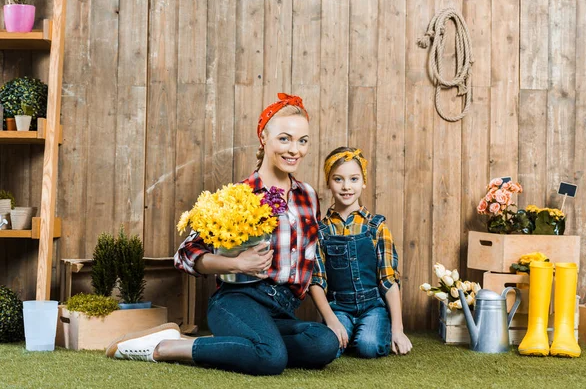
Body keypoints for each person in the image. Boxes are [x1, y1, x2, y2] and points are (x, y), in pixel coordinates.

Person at [105, 93, 339, 375]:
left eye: (303, 141)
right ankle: (169, 346)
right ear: (264, 138)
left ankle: (242, 346)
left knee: (324, 344)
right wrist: (237, 264)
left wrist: (331, 319)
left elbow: (312, 264)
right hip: (238, 301)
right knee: (271, 359)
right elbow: (186, 254)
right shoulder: (239, 195)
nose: (295, 150)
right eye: (285, 139)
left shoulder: (308, 197)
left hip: (283, 309)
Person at [309, 147, 412, 358]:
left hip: (373, 306)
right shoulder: (320, 230)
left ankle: (368, 332)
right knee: (328, 347)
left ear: (363, 182)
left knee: (368, 346)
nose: (347, 186)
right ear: (328, 182)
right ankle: (344, 333)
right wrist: (331, 319)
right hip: (338, 308)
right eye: (338, 179)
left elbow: (389, 281)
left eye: (354, 179)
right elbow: (316, 281)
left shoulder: (377, 227)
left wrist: (397, 330)